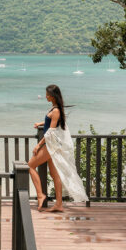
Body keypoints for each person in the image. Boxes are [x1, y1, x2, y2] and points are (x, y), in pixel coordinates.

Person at [29, 84, 88, 212]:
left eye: (47, 94)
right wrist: (41, 123)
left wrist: (39, 145)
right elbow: (51, 122)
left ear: (52, 96)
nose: (45, 96)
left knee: (30, 166)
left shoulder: (56, 110)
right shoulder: (55, 109)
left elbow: (51, 131)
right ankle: (59, 204)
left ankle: (40, 195)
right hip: (53, 145)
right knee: (55, 174)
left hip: (50, 145)